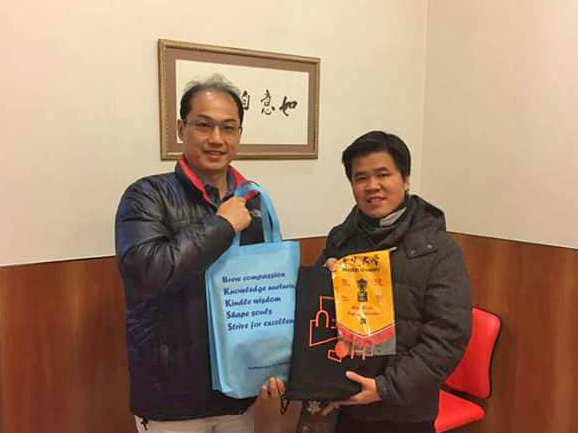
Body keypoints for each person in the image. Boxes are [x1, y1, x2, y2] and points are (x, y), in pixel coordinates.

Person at [115, 74, 283, 433]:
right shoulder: (146, 196)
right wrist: (222, 226)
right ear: (181, 129)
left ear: (239, 134)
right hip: (170, 398)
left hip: (237, 391)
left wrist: (274, 361)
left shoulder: (254, 203)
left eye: (228, 128)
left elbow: (269, 291)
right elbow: (151, 272)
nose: (217, 139)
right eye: (204, 125)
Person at [310, 131, 472, 433]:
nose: (372, 186)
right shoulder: (340, 240)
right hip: (345, 401)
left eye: (383, 174)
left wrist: (385, 388)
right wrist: (323, 280)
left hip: (405, 410)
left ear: (406, 179)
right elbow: (314, 315)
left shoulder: (439, 249)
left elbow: (448, 337)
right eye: (361, 178)